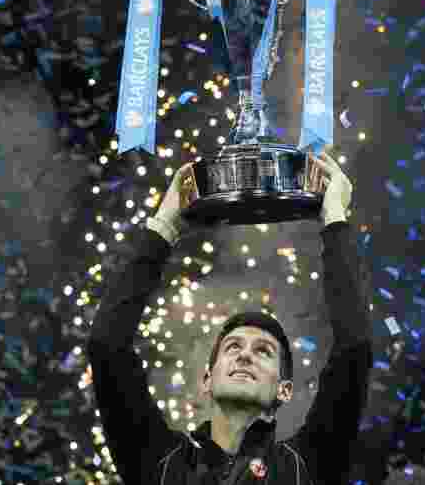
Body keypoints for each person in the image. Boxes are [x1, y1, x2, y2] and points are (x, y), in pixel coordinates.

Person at [87, 150, 373, 485]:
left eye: (264, 351)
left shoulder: (304, 467)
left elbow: (355, 349)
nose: (246, 354)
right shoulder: (161, 463)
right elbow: (107, 346)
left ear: (283, 390)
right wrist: (164, 226)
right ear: (207, 379)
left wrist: (335, 217)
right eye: (232, 347)